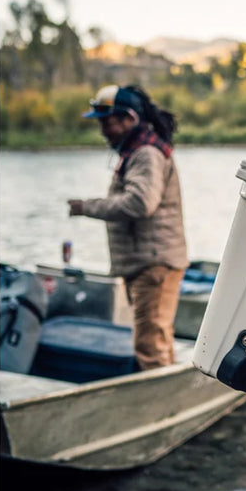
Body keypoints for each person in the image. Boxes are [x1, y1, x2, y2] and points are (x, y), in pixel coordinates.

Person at [68, 84, 189, 370]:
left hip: (154, 264)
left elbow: (140, 203)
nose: (102, 130)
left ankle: (159, 408)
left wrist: (87, 207)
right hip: (149, 262)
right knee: (156, 338)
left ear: (129, 119)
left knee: (150, 346)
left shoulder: (145, 154)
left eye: (106, 122)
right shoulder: (139, 151)